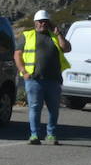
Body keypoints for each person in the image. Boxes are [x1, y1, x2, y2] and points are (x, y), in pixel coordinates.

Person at [14, 9, 71, 145]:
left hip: (53, 79)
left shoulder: (54, 36)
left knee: (53, 109)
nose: (42, 24)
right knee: (35, 107)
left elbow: (67, 48)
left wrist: (59, 34)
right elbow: (17, 54)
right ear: (35, 22)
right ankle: (34, 135)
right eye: (40, 21)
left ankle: (51, 134)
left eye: (45, 22)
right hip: (34, 79)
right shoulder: (27, 35)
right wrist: (24, 71)